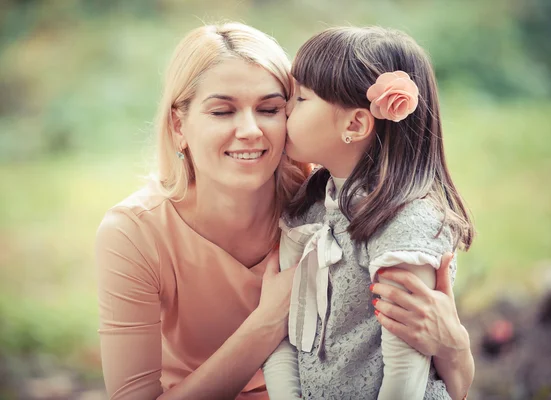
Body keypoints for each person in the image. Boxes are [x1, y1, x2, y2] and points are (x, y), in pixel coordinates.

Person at [95, 22, 473, 400]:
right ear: (179, 125)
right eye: (222, 112)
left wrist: (455, 350)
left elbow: (435, 382)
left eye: (270, 108)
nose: (250, 130)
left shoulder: (325, 203)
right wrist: (268, 322)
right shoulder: (134, 232)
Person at [262, 27, 474, 400]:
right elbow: (282, 338)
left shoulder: (403, 224)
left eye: (300, 98)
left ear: (355, 124)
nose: (285, 108)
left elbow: (405, 373)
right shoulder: (309, 207)